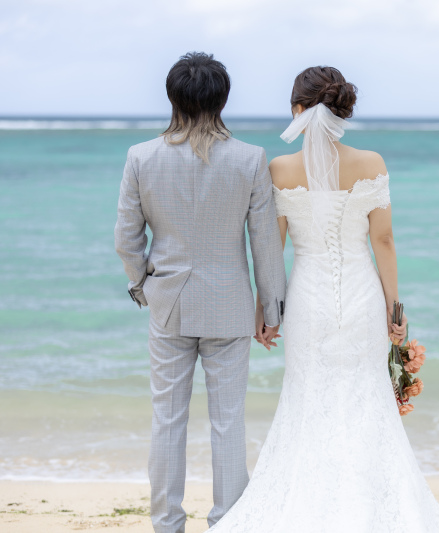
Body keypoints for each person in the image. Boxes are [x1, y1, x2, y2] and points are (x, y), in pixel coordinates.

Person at [207, 66, 439, 532]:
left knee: (306, 400)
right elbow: (384, 242)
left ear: (298, 111)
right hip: (361, 299)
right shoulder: (372, 163)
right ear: (343, 111)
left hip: (307, 303)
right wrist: (394, 311)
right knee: (368, 402)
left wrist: (266, 311)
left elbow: (271, 248)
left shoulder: (279, 168)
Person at [114, 52, 286, 533]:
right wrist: (271, 309)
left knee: (166, 421)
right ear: (222, 98)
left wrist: (143, 285)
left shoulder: (141, 157)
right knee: (228, 422)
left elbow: (126, 239)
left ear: (173, 97)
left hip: (168, 305)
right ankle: (227, 522)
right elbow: (265, 243)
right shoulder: (251, 159)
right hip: (230, 306)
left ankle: (167, 524)